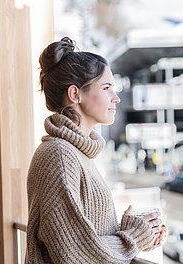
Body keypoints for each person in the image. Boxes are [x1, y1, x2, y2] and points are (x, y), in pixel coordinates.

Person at [25, 37, 167, 264]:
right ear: (75, 94)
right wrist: (133, 239)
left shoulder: (77, 152)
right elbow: (72, 253)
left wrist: (135, 231)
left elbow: (81, 236)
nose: (116, 98)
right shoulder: (59, 155)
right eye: (106, 88)